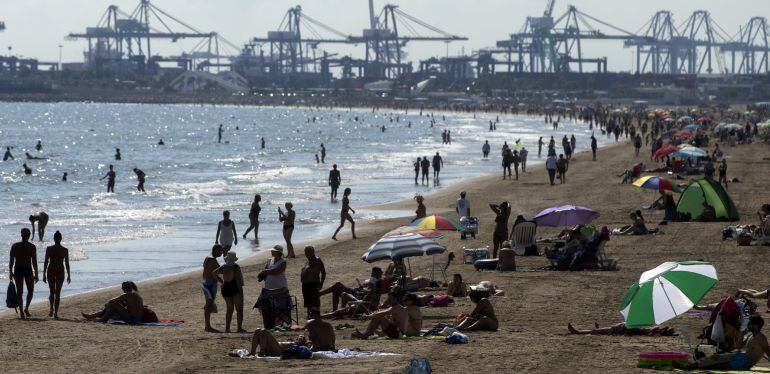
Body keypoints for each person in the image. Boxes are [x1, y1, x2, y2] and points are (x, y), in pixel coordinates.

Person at [676, 315, 770, 371]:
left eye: (750, 324)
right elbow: (738, 346)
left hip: (745, 362)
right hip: (740, 356)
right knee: (714, 358)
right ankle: (689, 366)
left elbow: (768, 352)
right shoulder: (751, 336)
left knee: (716, 366)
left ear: (756, 326)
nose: (748, 325)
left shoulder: (761, 338)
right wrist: (742, 334)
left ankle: (689, 367)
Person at [352, 292, 420, 339]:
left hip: (399, 333)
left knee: (380, 316)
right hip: (397, 332)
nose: (388, 300)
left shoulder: (398, 307)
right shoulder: (394, 308)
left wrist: (368, 317)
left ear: (395, 299)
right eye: (388, 299)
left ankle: (365, 335)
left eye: (390, 299)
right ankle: (366, 334)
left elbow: (382, 313)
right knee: (379, 316)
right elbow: (382, 313)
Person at [256, 246, 290, 329]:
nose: (272, 252)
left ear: (278, 252)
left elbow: (277, 272)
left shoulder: (283, 262)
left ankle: (281, 322)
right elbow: (265, 270)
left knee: (281, 305)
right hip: (269, 287)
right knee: (272, 305)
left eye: (273, 251)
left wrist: (266, 271)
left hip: (280, 286)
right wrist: (264, 272)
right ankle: (274, 323)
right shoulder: (269, 260)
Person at [9, 228, 38, 319]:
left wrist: (10, 272)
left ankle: (22, 311)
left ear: (21, 235)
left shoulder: (15, 246)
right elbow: (34, 262)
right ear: (29, 235)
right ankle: (25, 308)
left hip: (18, 270)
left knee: (19, 292)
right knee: (30, 290)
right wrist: (36, 274)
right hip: (27, 270)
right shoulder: (31, 246)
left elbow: (11, 261)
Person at [215, 252, 245, 333]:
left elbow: (214, 273)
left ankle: (227, 328)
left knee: (229, 309)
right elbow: (238, 282)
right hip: (234, 288)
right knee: (239, 309)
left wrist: (222, 281)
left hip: (225, 288)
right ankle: (239, 328)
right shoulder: (235, 267)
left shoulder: (223, 266)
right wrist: (241, 293)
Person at [42, 231, 70, 319]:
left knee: (51, 291)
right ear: (61, 239)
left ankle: (51, 309)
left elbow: (46, 261)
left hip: (50, 270)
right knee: (57, 293)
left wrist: (43, 274)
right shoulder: (64, 250)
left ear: (54, 239)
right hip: (60, 271)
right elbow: (67, 263)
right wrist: (69, 275)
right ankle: (56, 313)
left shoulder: (49, 249)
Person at [202, 244, 224, 332]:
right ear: (215, 250)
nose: (221, 253)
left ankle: (207, 326)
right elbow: (214, 274)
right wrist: (222, 282)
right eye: (220, 251)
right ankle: (207, 326)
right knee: (208, 305)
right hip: (209, 284)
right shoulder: (212, 260)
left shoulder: (208, 257)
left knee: (209, 305)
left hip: (206, 282)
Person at [300, 246, 326, 316]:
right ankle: (310, 318)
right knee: (308, 305)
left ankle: (316, 320)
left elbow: (323, 272)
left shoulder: (317, 260)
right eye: (305, 252)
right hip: (305, 286)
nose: (306, 253)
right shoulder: (307, 261)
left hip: (313, 284)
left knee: (315, 305)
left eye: (308, 251)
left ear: (313, 252)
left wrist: (321, 283)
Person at [567, 322, 675, 336]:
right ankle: (578, 332)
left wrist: (653, 329)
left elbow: (632, 330)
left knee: (595, 332)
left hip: (618, 330)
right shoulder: (649, 331)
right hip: (620, 328)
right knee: (596, 331)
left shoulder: (650, 331)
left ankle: (578, 332)